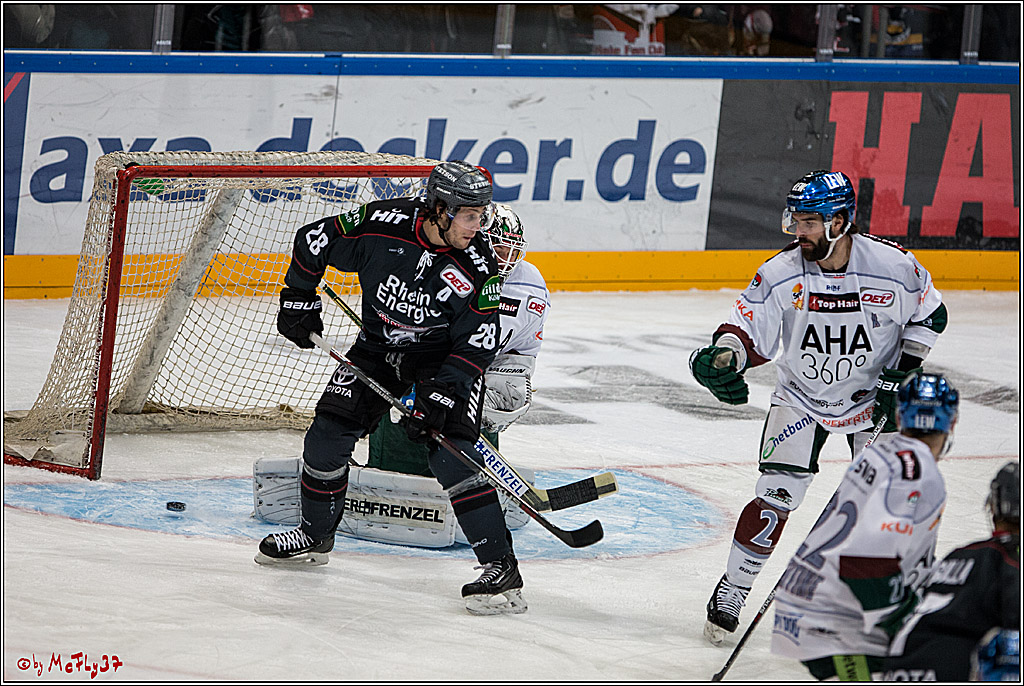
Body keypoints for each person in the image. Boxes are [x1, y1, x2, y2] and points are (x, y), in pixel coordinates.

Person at [256, 160, 528, 616]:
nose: (478, 225)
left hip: (442, 363)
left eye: (482, 215)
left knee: (450, 453)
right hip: (376, 350)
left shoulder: (479, 266)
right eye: (469, 215)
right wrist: (298, 297)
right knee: (325, 438)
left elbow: (479, 343)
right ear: (439, 209)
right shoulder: (382, 223)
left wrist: (441, 395)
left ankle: (501, 567)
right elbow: (312, 240)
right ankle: (315, 534)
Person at [690, 169, 949, 645]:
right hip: (801, 399)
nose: (797, 231)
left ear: (841, 221)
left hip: (873, 404)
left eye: (809, 222)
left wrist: (904, 371)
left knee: (888, 508)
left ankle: (877, 603)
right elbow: (747, 331)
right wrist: (725, 355)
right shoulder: (780, 272)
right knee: (774, 498)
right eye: (795, 220)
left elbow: (930, 315)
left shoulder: (894, 266)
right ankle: (734, 587)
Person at [769, 373, 959, 680]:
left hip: (809, 598)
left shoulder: (880, 452)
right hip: (838, 620)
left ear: (900, 414)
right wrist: (908, 622)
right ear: (951, 423)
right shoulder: (920, 473)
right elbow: (866, 564)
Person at [366, 203, 549, 477]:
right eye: (499, 250)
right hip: (425, 358)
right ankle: (394, 466)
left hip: (483, 366)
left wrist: (510, 372)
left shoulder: (528, 286)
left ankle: (468, 469)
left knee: (499, 397)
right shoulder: (438, 262)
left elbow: (509, 346)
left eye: (514, 251)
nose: (507, 259)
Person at [880, 460, 1020, 681]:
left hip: (897, 668)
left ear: (994, 507)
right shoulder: (1011, 559)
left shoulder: (960, 554)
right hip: (955, 670)